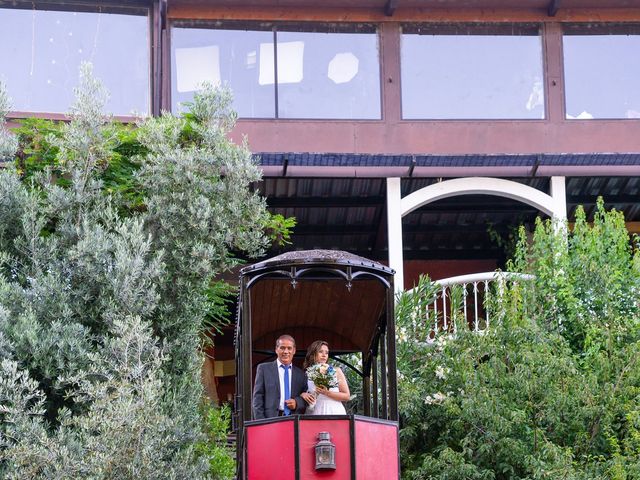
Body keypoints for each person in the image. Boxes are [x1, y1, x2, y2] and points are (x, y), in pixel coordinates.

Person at [252, 334, 309, 419]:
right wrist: (260, 422)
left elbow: (306, 397)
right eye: (282, 348)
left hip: (293, 420)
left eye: (289, 348)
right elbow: (258, 397)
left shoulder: (301, 374)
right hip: (269, 420)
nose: (286, 351)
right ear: (276, 350)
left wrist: (297, 402)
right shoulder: (264, 369)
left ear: (294, 351)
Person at [302, 340, 350, 415]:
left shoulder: (336, 371)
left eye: (326, 353)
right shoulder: (306, 374)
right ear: (313, 353)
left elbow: (346, 396)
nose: (324, 355)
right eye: (320, 352)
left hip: (334, 411)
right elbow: (301, 392)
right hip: (315, 411)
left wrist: (326, 393)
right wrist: (303, 394)